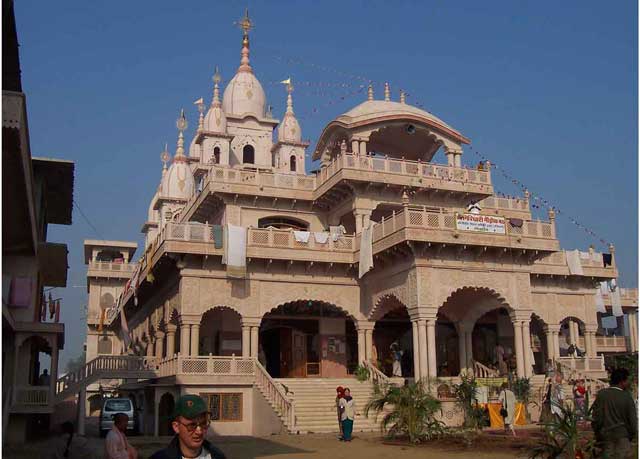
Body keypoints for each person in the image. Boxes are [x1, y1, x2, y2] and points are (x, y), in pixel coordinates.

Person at [150, 394, 226, 459]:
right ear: (176, 427)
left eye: (203, 424)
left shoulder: (217, 456)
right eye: (192, 425)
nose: (199, 431)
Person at [591, 368, 637, 459]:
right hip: (623, 436)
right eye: (627, 380)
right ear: (622, 381)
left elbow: (596, 417)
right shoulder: (626, 397)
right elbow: (632, 420)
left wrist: (598, 433)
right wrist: (632, 435)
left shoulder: (602, 395)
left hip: (606, 436)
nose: (628, 382)